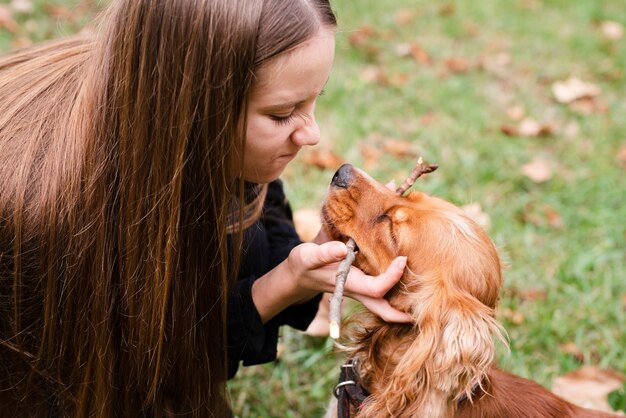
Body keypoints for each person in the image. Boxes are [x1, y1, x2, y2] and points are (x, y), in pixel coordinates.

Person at [0, 0, 410, 416]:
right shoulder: (56, 217)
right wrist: (279, 286)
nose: (312, 133)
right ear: (193, 107)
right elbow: (155, 372)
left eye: (313, 100)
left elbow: (258, 226)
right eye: (283, 113)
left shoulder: (204, 141)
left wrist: (306, 264)